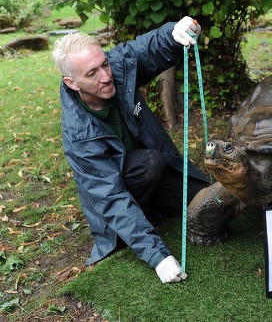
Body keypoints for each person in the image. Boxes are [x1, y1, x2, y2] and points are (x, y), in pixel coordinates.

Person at [51, 17, 209, 284]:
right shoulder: (78, 134)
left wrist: (174, 31)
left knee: (208, 199)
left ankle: (152, 209)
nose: (106, 76)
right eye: (92, 73)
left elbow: (146, 48)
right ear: (72, 83)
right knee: (149, 163)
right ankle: (141, 220)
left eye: (104, 64)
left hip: (157, 172)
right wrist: (158, 257)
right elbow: (110, 196)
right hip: (125, 187)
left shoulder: (116, 67)